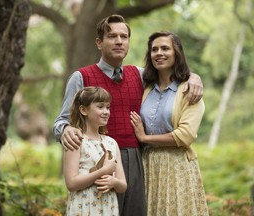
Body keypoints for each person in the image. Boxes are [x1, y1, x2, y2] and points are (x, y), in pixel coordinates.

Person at [53, 14, 203, 216]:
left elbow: (170, 73)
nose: (118, 41)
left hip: (136, 159)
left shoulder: (140, 76)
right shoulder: (81, 77)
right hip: (97, 161)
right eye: (112, 36)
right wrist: (66, 129)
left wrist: (194, 77)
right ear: (99, 42)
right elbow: (61, 121)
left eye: (124, 37)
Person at [130, 31, 209, 215]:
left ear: (177, 53)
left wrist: (145, 137)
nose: (159, 53)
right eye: (154, 49)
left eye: (165, 48)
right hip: (148, 166)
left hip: (176, 166)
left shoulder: (189, 90)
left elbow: (185, 135)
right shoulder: (146, 88)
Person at [64, 86, 127, 215]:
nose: (106, 112)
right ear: (83, 110)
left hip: (108, 208)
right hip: (83, 208)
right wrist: (103, 171)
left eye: (108, 107)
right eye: (100, 107)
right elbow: (71, 183)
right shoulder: (76, 140)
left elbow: (123, 185)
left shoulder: (111, 143)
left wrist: (113, 182)